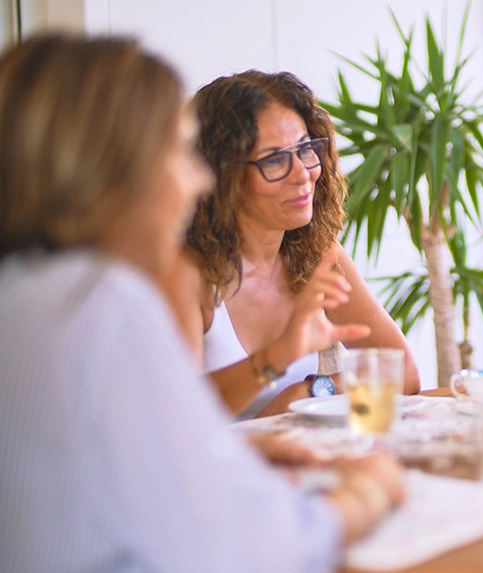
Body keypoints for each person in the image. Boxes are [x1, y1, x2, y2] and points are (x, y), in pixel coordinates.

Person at [0, 35, 403, 572]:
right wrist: (367, 495)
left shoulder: (25, 295)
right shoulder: (102, 305)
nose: (196, 181)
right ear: (107, 172)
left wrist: (232, 453)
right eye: (176, 154)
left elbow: (124, 469)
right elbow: (245, 550)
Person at [160, 70, 420, 420]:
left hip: (299, 462)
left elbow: (403, 372)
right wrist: (275, 370)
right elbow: (176, 418)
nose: (303, 173)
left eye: (305, 149)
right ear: (222, 176)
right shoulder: (186, 271)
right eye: (274, 160)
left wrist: (311, 391)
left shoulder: (317, 254)